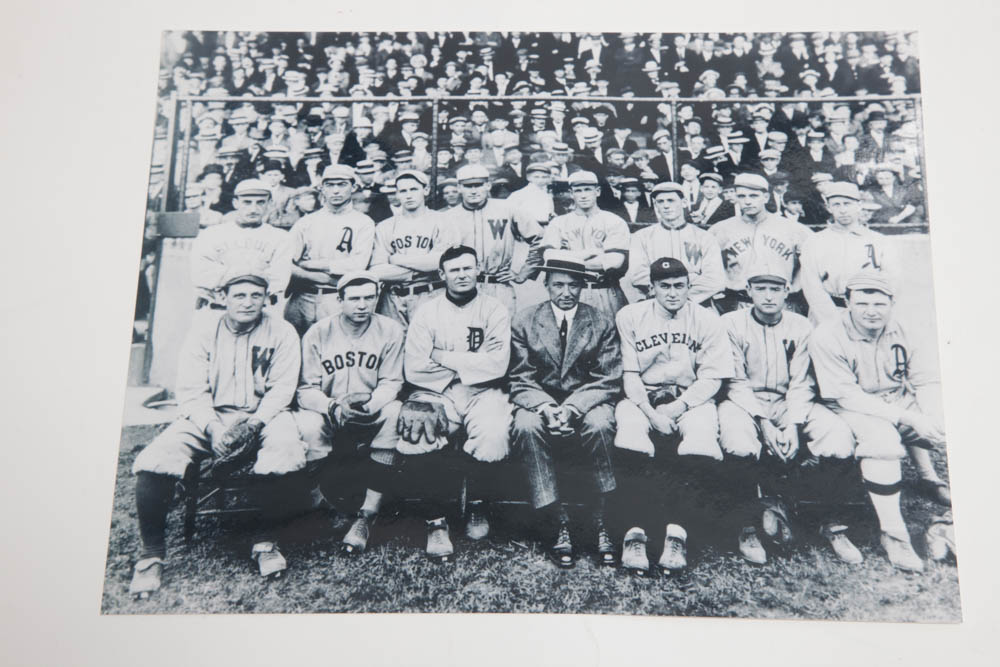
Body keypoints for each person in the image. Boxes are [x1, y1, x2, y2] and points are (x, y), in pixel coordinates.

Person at [129, 270, 305, 598]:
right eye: (239, 295)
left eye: (256, 295)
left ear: (267, 298)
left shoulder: (282, 330)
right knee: (156, 458)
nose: (248, 302)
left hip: (263, 414)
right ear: (223, 297)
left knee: (286, 449)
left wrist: (254, 425)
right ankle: (151, 555)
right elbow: (191, 389)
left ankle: (265, 542)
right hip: (208, 415)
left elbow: (282, 389)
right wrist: (213, 428)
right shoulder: (203, 330)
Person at [718, 260, 861, 565]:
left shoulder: (801, 325)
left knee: (837, 435)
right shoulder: (730, 323)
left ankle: (829, 521)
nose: (768, 296)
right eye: (760, 288)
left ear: (787, 292)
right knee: (738, 442)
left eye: (775, 289)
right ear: (748, 291)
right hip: (745, 402)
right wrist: (764, 423)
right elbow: (735, 381)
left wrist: (793, 425)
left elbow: (801, 382)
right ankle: (747, 527)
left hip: (789, 402)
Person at [809, 271, 948, 572]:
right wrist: (910, 417)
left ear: (891, 302)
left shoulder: (907, 327)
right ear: (847, 302)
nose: (871, 311)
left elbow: (925, 379)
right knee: (883, 441)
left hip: (895, 398)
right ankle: (893, 533)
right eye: (862, 303)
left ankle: (934, 483)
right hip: (848, 405)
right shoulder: (827, 334)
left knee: (950, 423)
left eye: (879, 303)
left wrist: (933, 416)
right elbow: (846, 395)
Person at [612, 258, 734, 576]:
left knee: (700, 445)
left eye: (679, 286)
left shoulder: (708, 320)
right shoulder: (630, 316)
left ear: (688, 287)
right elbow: (629, 373)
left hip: (691, 397)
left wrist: (678, 408)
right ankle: (634, 534)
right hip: (643, 399)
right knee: (631, 440)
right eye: (664, 286)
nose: (672, 293)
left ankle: (677, 534)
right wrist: (652, 414)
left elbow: (712, 379)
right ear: (651, 288)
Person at [395, 245, 513, 561]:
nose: (462, 275)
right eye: (455, 270)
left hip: (482, 391)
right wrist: (469, 363)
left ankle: (477, 505)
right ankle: (436, 521)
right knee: (420, 428)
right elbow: (415, 367)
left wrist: (443, 356)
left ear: (478, 270)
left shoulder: (495, 308)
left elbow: (498, 365)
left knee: (494, 432)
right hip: (437, 390)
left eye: (467, 268)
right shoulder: (427, 311)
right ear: (442, 274)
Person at [509, 254, 621, 569]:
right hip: (539, 399)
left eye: (573, 285)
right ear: (546, 285)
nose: (566, 292)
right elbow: (520, 378)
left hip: (586, 399)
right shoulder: (525, 320)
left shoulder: (600, 321)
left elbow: (608, 378)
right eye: (558, 285)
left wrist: (572, 408)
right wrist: (545, 406)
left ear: (583, 287)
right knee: (527, 425)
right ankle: (557, 519)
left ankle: (602, 519)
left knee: (600, 424)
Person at [291, 271, 405, 555]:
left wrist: (371, 405)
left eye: (369, 297)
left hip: (371, 407)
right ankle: (319, 503)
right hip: (331, 408)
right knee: (306, 425)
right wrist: (332, 406)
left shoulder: (390, 329)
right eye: (354, 299)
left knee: (394, 413)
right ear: (339, 300)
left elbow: (392, 382)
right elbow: (306, 389)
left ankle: (367, 515)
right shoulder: (318, 332)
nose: (362, 305)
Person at [283, 165, 377, 336]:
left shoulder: (363, 222)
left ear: (354, 187)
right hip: (301, 298)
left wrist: (309, 264)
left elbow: (357, 265)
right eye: (330, 185)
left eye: (341, 184)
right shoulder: (306, 222)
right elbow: (284, 261)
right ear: (321, 188)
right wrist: (318, 276)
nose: (335, 190)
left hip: (336, 298)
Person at [441, 165, 543, 314]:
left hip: (498, 285)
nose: (474, 190)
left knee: (502, 334)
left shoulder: (508, 209)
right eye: (468, 186)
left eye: (479, 185)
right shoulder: (448, 217)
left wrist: (524, 272)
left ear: (488, 185)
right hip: (462, 287)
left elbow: (540, 239)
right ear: (459, 188)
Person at [709, 173, 812, 314]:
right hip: (738, 303)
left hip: (783, 304)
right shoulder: (720, 229)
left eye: (753, 196)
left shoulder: (793, 228)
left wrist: (795, 286)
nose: (747, 201)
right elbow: (708, 267)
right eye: (741, 196)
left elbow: (812, 263)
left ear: (766, 197)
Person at [368, 170, 460, 327]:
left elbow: (440, 261)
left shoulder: (443, 220)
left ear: (426, 190)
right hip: (393, 299)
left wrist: (397, 259)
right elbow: (377, 270)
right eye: (403, 191)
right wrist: (419, 268)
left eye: (413, 189)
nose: (408, 195)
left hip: (430, 294)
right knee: (395, 347)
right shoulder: (385, 226)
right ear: (396, 194)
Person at [536, 171, 631, 321]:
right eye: (578, 190)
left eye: (588, 189)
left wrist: (566, 258)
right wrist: (591, 253)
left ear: (597, 191)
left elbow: (614, 261)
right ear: (571, 193)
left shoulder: (614, 221)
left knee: (610, 339)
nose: (583, 195)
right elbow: (548, 256)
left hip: (604, 290)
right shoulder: (559, 223)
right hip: (570, 293)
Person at [189, 178, 292, 311]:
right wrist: (254, 273)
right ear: (235, 203)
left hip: (259, 310)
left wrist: (227, 274)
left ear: (270, 203)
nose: (254, 209)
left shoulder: (281, 237)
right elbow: (201, 274)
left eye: (261, 202)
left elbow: (279, 278)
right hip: (217, 308)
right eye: (247, 203)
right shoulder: (211, 234)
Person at [626, 181, 725, 307]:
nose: (666, 206)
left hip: (697, 304)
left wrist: (682, 298)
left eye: (671, 200)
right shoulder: (642, 237)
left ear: (684, 202)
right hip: (656, 305)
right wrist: (691, 278)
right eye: (660, 202)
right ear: (655, 205)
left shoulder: (704, 237)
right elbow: (637, 275)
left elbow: (715, 279)